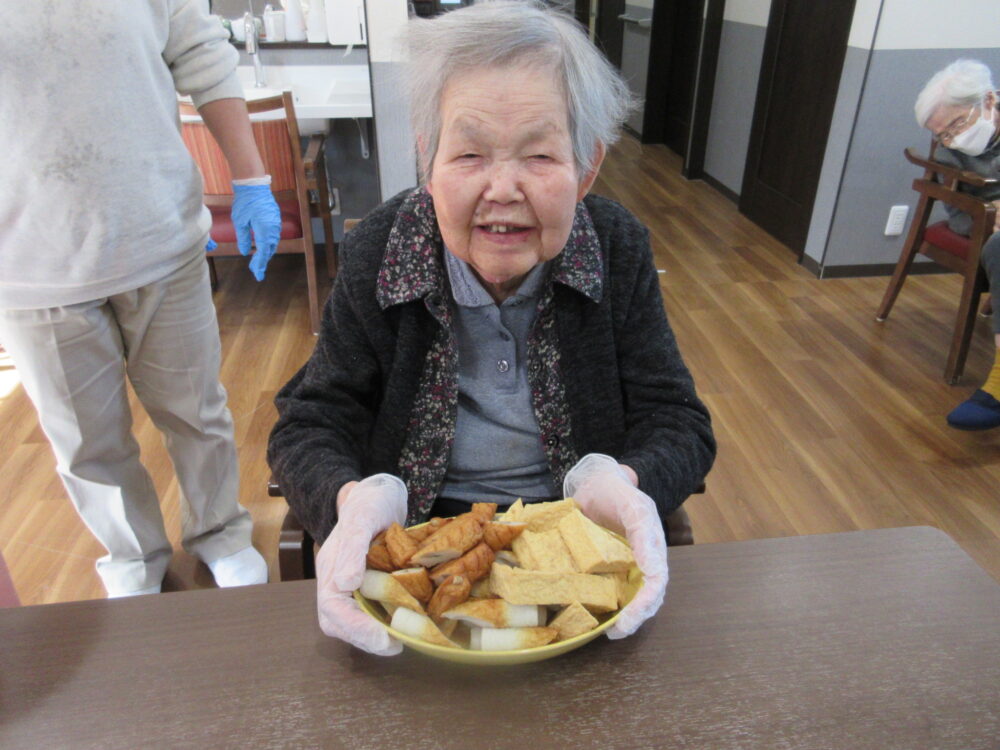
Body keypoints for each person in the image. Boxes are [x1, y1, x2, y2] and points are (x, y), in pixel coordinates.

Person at [267, 0, 715, 655]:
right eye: (470, 153)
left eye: (538, 156)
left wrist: (624, 482)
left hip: (574, 547)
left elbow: (676, 417)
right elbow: (311, 416)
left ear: (586, 167)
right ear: (429, 159)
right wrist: (353, 497)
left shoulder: (616, 247)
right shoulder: (382, 248)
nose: (502, 188)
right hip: (420, 551)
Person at [0, 1, 283, 597]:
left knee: (196, 410)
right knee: (85, 443)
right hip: (30, 260)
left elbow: (203, 54)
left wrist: (252, 179)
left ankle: (221, 532)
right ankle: (132, 557)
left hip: (158, 237)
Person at [915, 59, 1000, 430]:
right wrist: (991, 214)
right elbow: (959, 216)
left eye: (956, 125)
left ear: (989, 101)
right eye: (942, 134)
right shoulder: (950, 152)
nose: (951, 139)